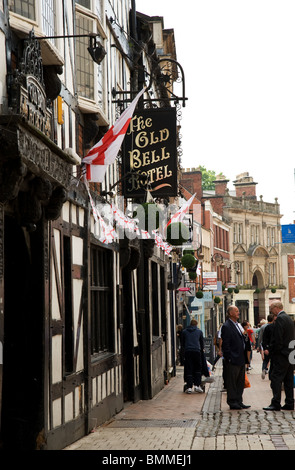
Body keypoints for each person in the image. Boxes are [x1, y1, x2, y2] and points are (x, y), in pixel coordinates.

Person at [263, 301, 295, 411]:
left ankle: (276, 402)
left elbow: (278, 338)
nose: (271, 311)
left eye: (271, 308)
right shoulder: (289, 319)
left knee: (276, 378)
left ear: (276, 308)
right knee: (288, 380)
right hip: (290, 353)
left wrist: (273, 352)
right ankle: (290, 402)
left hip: (281, 354)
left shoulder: (280, 319)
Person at [221, 305, 250, 410]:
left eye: (238, 310)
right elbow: (226, 344)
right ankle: (232, 401)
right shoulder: (227, 326)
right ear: (231, 313)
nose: (238, 312)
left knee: (240, 381)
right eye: (236, 311)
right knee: (232, 382)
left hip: (241, 357)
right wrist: (229, 358)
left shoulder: (238, 325)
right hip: (233, 358)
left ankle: (239, 400)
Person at [182, 319, 204, 394]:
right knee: (197, 368)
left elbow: (182, 343)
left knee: (189, 368)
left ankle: (189, 387)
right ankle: (197, 385)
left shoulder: (184, 332)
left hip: (188, 351)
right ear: (196, 324)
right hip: (197, 351)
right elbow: (201, 343)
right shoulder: (199, 332)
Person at [259, 314, 274, 379]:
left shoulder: (263, 327)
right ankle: (270, 373)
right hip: (272, 346)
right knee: (272, 361)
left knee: (265, 360)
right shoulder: (274, 327)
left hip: (265, 346)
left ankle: (264, 369)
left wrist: (260, 346)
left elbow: (261, 337)